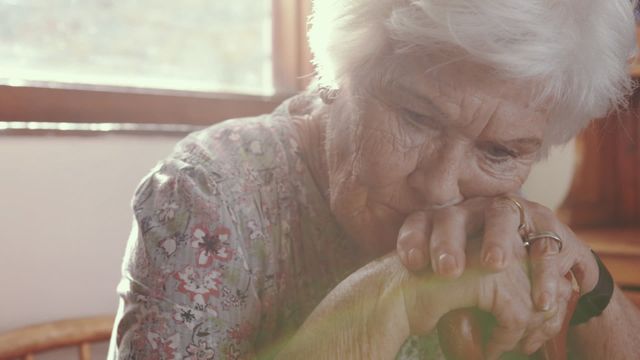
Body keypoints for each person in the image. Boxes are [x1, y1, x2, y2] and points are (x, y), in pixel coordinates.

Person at [108, 0, 640, 359]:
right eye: (418, 118)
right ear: (344, 76)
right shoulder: (203, 196)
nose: (441, 188)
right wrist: (386, 306)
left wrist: (589, 278)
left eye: (499, 151)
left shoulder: (500, 210)